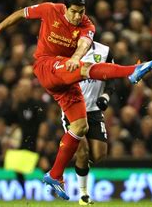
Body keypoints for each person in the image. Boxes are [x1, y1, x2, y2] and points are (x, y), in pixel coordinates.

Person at [0, 0, 152, 200]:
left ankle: (55, 175)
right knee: (86, 69)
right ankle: (132, 70)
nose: (78, 17)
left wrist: (76, 57)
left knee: (80, 126)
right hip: (46, 65)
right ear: (65, 8)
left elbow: (84, 44)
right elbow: (22, 13)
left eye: (82, 12)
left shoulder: (87, 25)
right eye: (74, 12)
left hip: (67, 75)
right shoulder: (50, 10)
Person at [61, 41, 113, 205]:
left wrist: (105, 96)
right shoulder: (64, 50)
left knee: (99, 155)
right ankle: (83, 194)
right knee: (82, 151)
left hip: (94, 111)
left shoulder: (105, 51)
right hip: (72, 109)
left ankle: (80, 163)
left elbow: (112, 78)